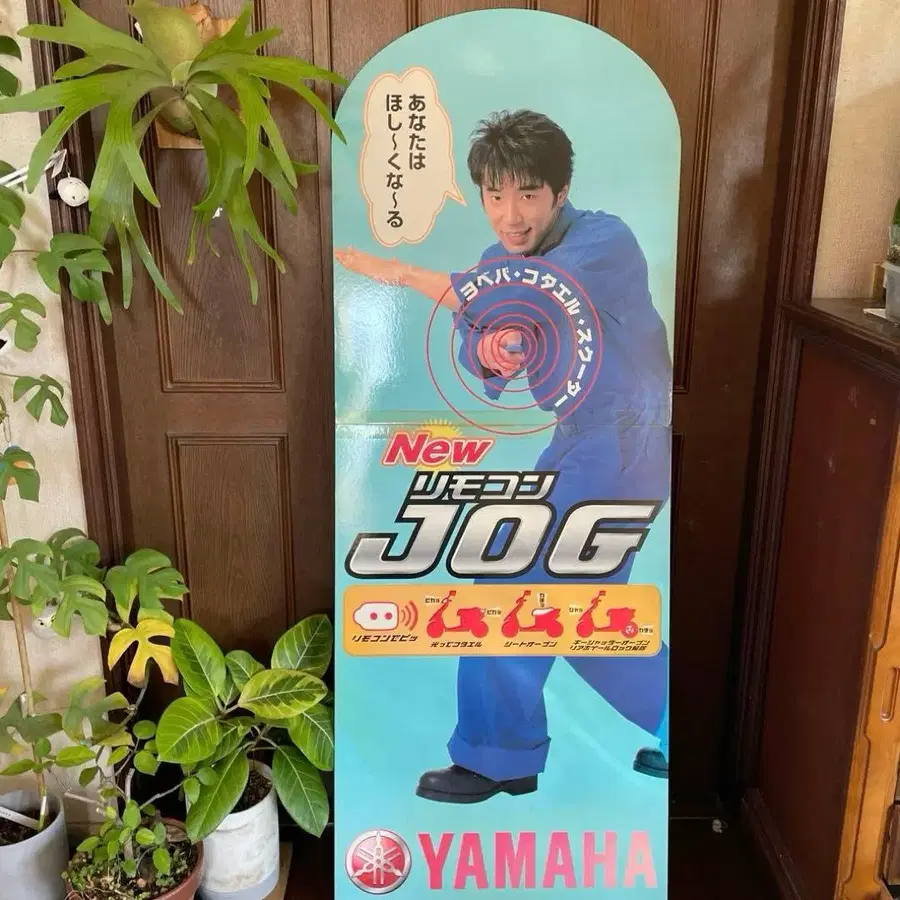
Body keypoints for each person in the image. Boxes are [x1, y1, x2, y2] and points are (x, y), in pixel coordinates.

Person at [336, 109, 671, 804]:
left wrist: (403, 274)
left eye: (527, 194)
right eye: (494, 195)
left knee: (522, 587)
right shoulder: (496, 260)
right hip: (577, 438)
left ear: (560, 190)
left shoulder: (605, 240)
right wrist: (489, 350)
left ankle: (500, 757)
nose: (510, 215)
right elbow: (481, 336)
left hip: (627, 439)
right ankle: (666, 722)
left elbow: (532, 296)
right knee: (576, 611)